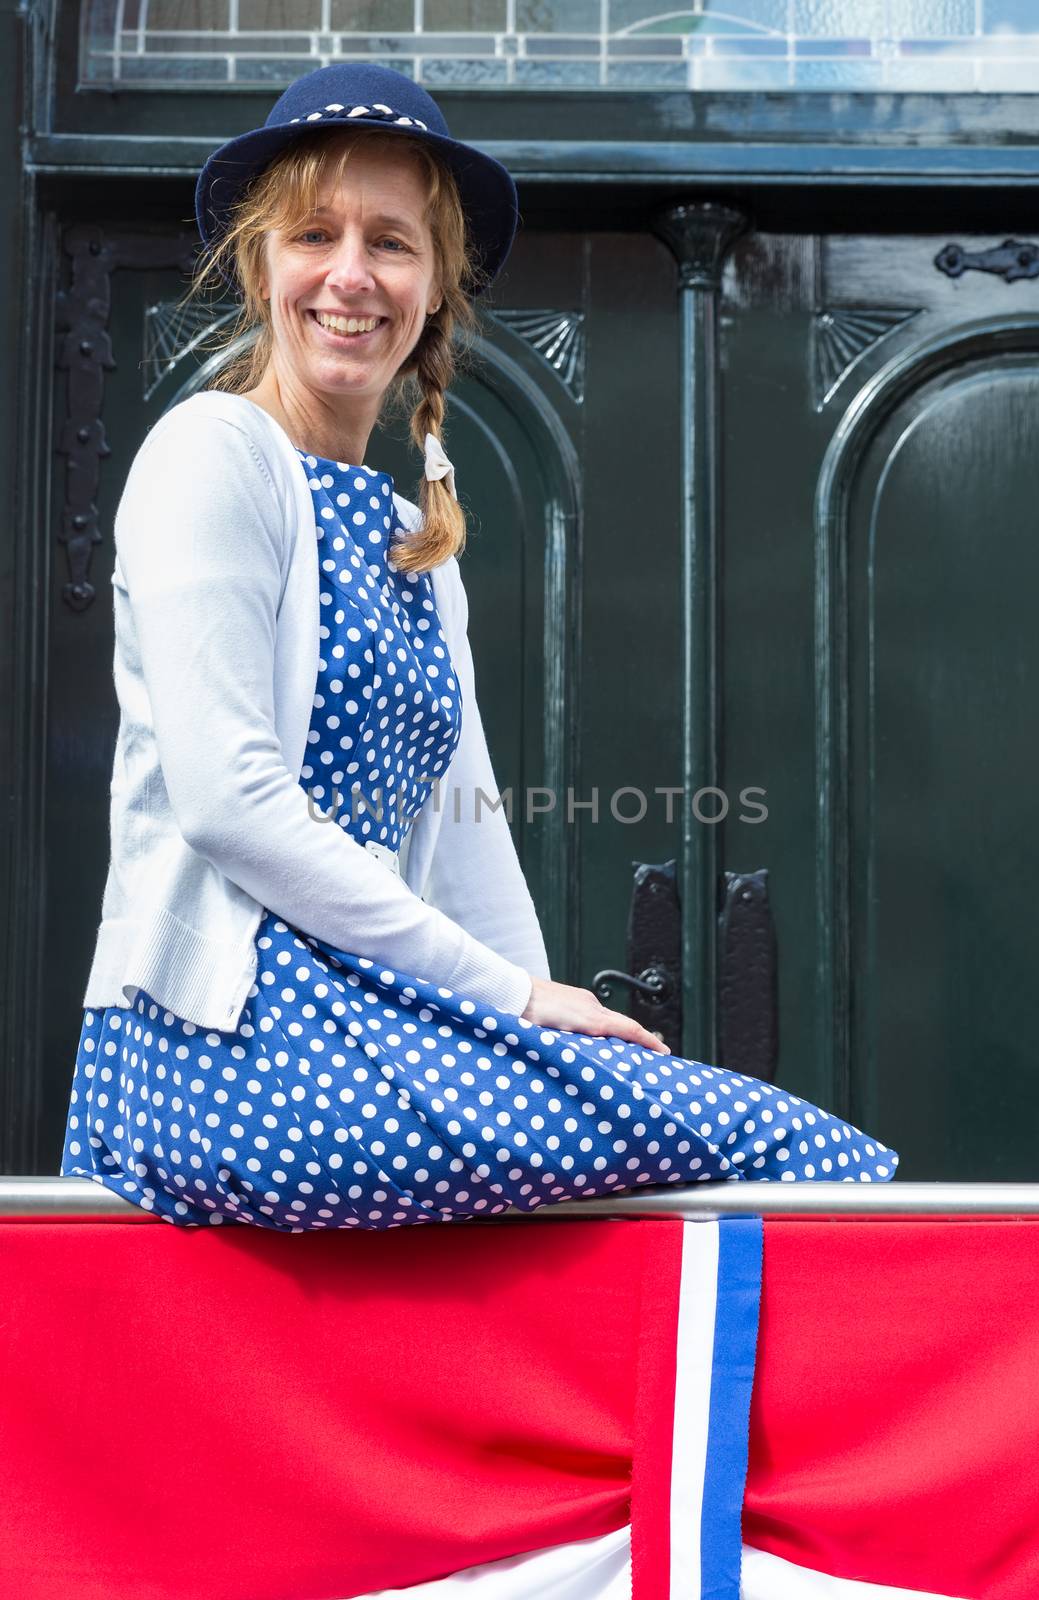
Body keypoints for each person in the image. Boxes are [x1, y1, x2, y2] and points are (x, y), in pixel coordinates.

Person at [60, 63, 897, 1229]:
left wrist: (549, 1009)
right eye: (314, 232)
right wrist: (508, 998)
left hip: (358, 1032)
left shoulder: (415, 540)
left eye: (392, 243)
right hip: (225, 1050)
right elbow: (228, 801)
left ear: (436, 289)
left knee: (750, 1142)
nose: (350, 275)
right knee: (782, 1150)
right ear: (258, 265)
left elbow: (466, 838)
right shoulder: (213, 455)